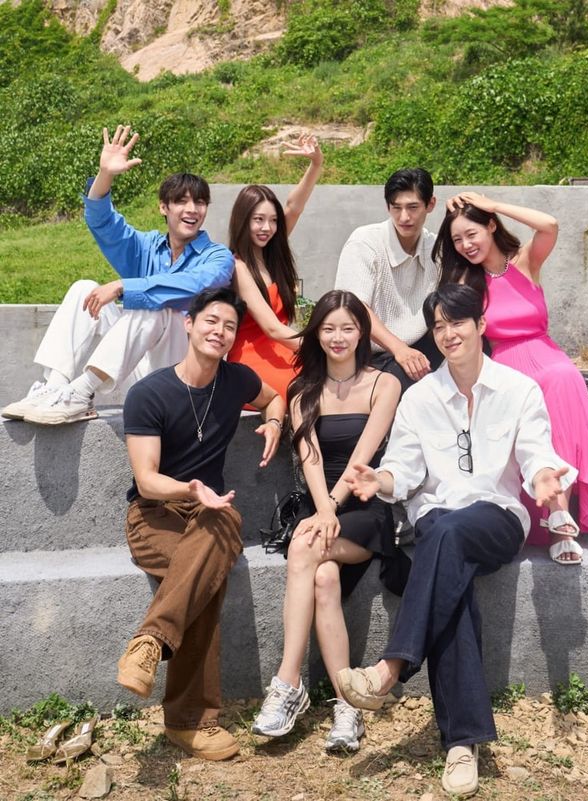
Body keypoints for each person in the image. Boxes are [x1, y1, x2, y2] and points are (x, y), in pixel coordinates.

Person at [336, 284, 577, 797]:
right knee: (449, 564)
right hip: (438, 519)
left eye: (457, 322)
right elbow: (402, 469)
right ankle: (462, 745)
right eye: (438, 326)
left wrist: (542, 478)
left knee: (445, 536)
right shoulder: (420, 397)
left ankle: (391, 666)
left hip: (496, 517)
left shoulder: (518, 389)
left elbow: (537, 452)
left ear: (480, 325)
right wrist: (379, 480)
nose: (447, 334)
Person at [117, 287, 285, 761]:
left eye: (229, 326)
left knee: (219, 523)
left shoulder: (236, 379)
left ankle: (150, 642)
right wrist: (190, 489)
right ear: (189, 325)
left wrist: (274, 422)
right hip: (155, 515)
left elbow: (274, 397)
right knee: (206, 574)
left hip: (211, 512)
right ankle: (190, 720)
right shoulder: (149, 394)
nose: (220, 331)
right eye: (211, 321)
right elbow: (147, 480)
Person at [251, 290, 409, 752]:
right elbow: (311, 458)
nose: (338, 337)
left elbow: (363, 456)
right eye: (328, 328)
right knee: (323, 577)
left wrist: (333, 508)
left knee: (303, 548)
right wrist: (322, 509)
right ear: (316, 333)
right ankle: (347, 705)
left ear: (362, 333)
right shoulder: (302, 390)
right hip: (319, 503)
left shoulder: (384, 384)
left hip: (364, 506)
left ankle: (287, 683)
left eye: (348, 328)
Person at [433, 191, 588, 564]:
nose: (466, 245)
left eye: (472, 234)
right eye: (457, 239)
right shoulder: (465, 282)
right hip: (505, 363)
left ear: (491, 226)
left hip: (546, 354)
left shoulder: (525, 262)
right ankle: (557, 519)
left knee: (561, 378)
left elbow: (549, 225)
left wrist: (493, 204)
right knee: (540, 387)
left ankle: (558, 516)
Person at [2, 125, 234, 425]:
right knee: (84, 288)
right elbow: (104, 223)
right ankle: (55, 387)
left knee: (157, 306)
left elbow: (196, 285)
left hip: (182, 372)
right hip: (135, 368)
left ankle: (82, 391)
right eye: (181, 201)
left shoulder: (218, 257)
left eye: (199, 202)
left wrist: (125, 286)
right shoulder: (146, 246)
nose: (192, 209)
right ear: (163, 207)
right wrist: (105, 175)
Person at [227, 135, 323, 402]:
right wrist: (322, 347)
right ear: (243, 221)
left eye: (272, 220)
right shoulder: (238, 266)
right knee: (312, 389)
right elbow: (272, 328)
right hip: (253, 360)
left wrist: (316, 164)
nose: (266, 228)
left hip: (285, 349)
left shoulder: (273, 254)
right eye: (258, 219)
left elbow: (294, 207)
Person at [334, 167, 440, 392]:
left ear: (430, 204)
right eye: (396, 207)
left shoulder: (436, 247)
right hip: (370, 354)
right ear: (387, 206)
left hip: (419, 346)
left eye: (413, 207)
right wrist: (399, 349)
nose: (404, 217)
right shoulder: (365, 242)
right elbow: (354, 307)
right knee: (406, 383)